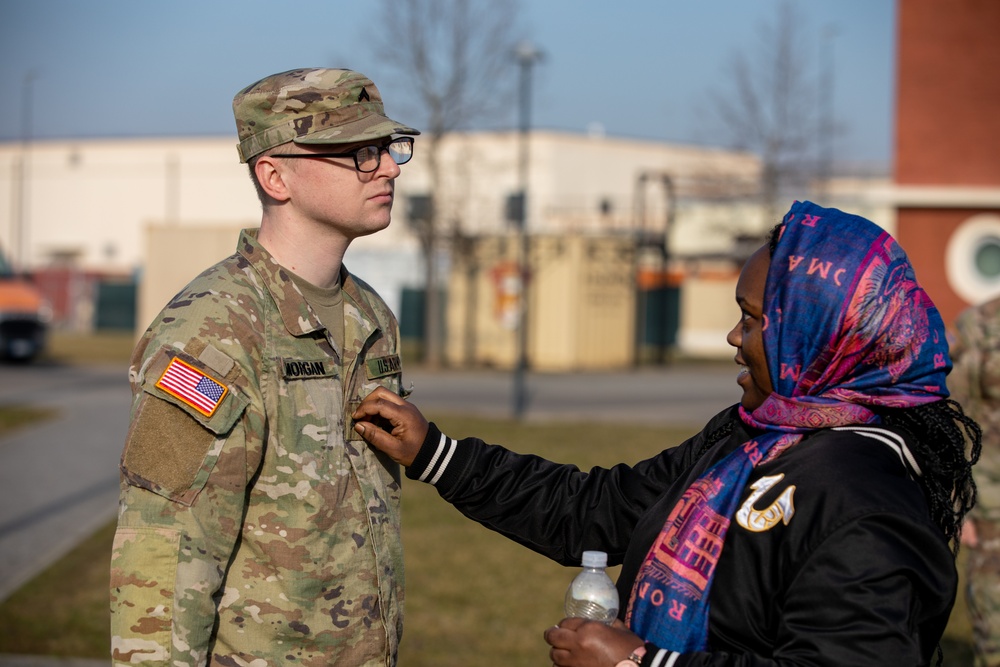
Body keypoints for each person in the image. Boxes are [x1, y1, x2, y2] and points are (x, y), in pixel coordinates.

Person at [353, 200, 982, 667]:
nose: (735, 339)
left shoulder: (866, 498)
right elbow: (596, 509)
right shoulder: (748, 437)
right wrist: (436, 453)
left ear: (820, 335)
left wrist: (644, 662)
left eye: (754, 320)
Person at [109, 68, 418, 665]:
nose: (388, 168)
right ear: (274, 175)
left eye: (385, 148)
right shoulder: (214, 330)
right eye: (356, 153)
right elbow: (165, 557)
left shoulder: (369, 314)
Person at [951, 294, 1000, 667]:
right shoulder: (978, 324)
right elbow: (957, 415)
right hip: (991, 501)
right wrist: (961, 495)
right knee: (993, 616)